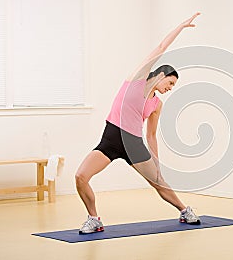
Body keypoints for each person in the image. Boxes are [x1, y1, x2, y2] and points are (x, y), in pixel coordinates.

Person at [75, 12, 201, 234]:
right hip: (110, 139)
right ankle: (94, 219)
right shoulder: (137, 79)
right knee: (81, 176)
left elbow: (151, 135)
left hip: (134, 145)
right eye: (170, 82)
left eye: (173, 86)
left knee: (158, 184)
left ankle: (184, 210)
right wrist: (180, 27)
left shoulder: (157, 105)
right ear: (160, 74)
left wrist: (157, 162)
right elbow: (161, 46)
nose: (169, 88)